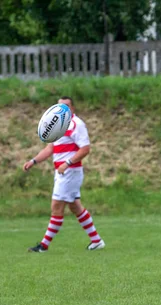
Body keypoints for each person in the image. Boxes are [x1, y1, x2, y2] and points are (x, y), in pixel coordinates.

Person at [24, 96, 105, 252]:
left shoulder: (77, 124)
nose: (63, 110)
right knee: (75, 207)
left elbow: (85, 149)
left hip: (70, 172)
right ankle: (96, 241)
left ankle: (43, 246)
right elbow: (50, 149)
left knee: (56, 207)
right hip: (62, 173)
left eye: (66, 107)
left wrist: (67, 163)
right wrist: (34, 161)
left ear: (73, 108)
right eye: (60, 107)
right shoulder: (58, 126)